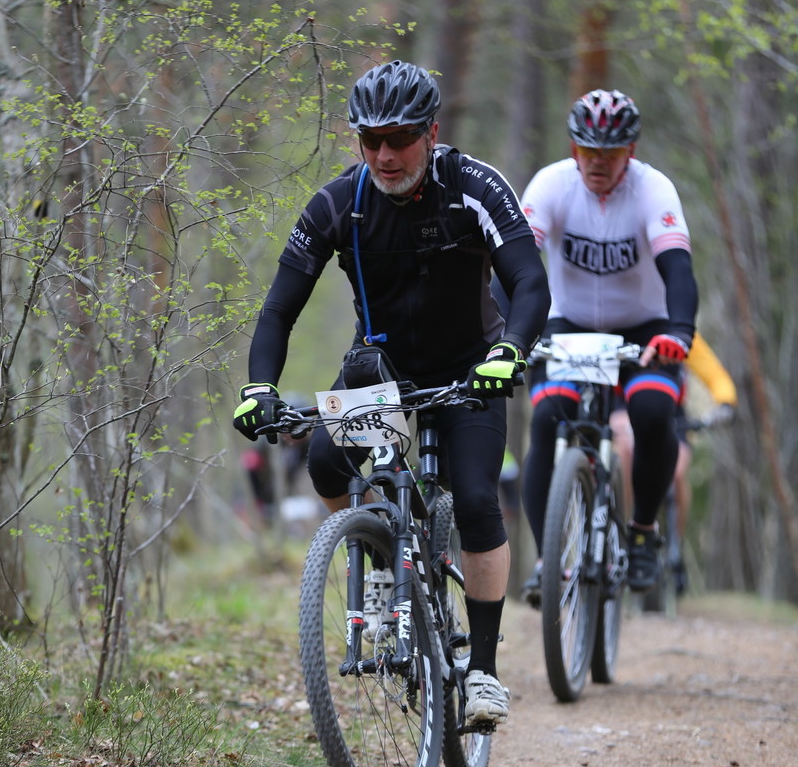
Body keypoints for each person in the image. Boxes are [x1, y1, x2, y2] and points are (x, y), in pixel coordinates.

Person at [232, 60, 551, 725]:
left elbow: (529, 282)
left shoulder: (473, 187)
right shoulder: (339, 202)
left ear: (431, 132)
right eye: (369, 139)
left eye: (399, 137)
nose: (383, 154)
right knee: (324, 461)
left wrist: (508, 352)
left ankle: (485, 672)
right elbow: (278, 310)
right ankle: (380, 554)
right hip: (380, 376)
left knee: (473, 498)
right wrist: (259, 385)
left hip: (470, 371)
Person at [516, 88, 699, 602]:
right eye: (588, 150)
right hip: (566, 324)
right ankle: (547, 557)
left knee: (651, 409)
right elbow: (518, 264)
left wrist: (679, 332)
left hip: (645, 328)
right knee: (549, 419)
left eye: (610, 153)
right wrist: (510, 329)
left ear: (631, 152)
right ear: (574, 148)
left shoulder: (653, 190)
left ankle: (642, 531)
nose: (597, 162)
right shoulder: (551, 184)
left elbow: (678, 271)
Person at [611, 331, 737, 590]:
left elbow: (714, 374)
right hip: (622, 410)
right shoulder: (612, 319)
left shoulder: (680, 329)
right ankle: (623, 530)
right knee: (623, 452)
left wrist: (724, 402)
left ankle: (674, 550)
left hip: (672, 417)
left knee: (676, 472)